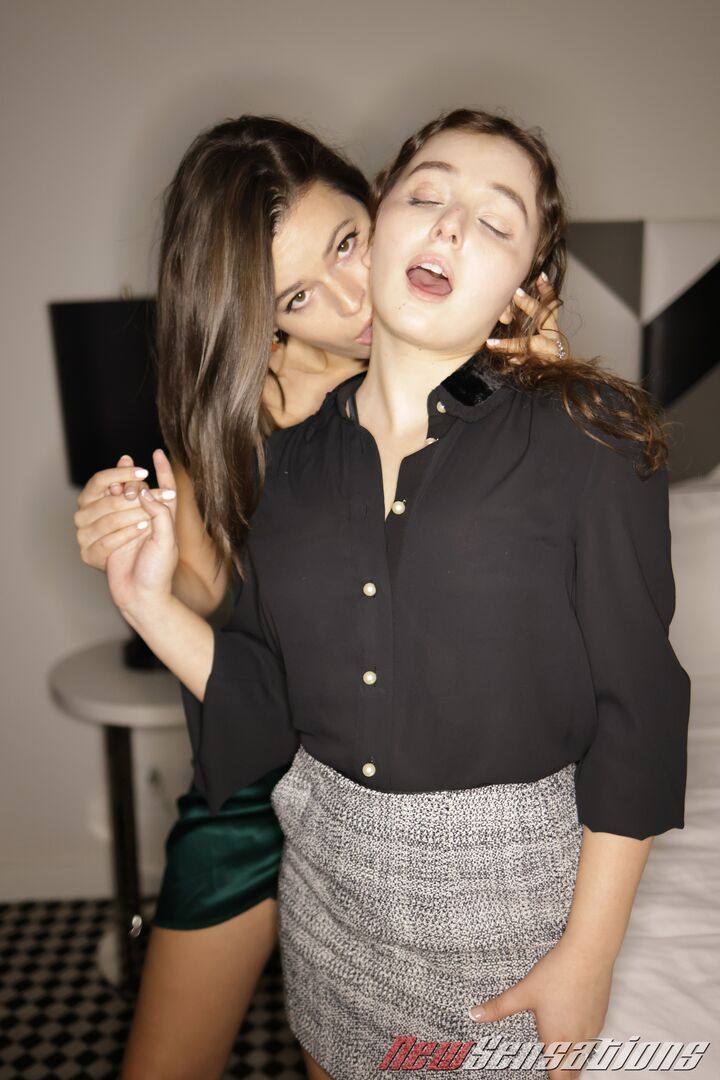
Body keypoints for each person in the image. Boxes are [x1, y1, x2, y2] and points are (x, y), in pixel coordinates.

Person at [101, 106, 690, 1080]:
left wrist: (589, 952)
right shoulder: (282, 464)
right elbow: (267, 709)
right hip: (329, 898)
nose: (453, 225)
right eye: (428, 197)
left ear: (527, 284)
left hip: (506, 911)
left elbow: (641, 705)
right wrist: (146, 600)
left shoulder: (588, 433)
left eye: (495, 220)